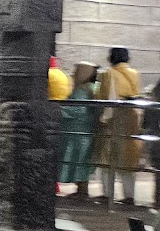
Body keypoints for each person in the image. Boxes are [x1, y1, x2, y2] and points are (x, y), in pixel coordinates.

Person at [95, 46, 145, 205]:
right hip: (132, 118)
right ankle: (129, 196)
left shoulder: (107, 74)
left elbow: (105, 97)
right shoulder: (135, 74)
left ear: (111, 58)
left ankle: (107, 194)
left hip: (114, 118)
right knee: (129, 159)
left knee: (107, 156)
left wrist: (103, 118)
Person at [58, 62, 100, 197]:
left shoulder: (82, 90)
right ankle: (82, 188)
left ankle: (81, 190)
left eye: (77, 71)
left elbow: (77, 110)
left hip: (78, 131)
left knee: (78, 159)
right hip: (88, 130)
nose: (74, 74)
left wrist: (58, 109)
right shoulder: (94, 87)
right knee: (84, 160)